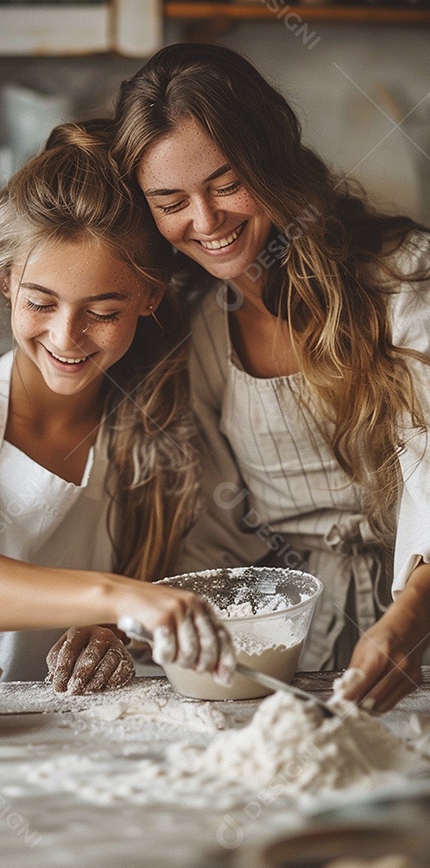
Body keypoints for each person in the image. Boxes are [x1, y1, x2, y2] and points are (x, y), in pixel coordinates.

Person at [0, 122, 236, 693]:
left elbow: (155, 591)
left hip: (43, 731)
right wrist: (117, 598)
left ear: (150, 295)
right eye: (41, 303)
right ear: (7, 280)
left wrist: (108, 630)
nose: (66, 336)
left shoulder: (154, 427)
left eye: (103, 312)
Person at [112, 42, 430, 712]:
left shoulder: (404, 280)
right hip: (297, 642)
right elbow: (215, 531)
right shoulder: (205, 331)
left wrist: (411, 617)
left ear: (272, 159)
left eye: (226, 185)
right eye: (170, 201)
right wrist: (128, 626)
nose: (205, 221)